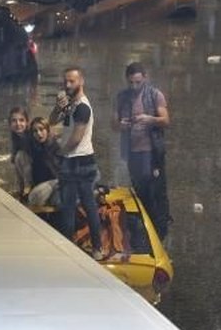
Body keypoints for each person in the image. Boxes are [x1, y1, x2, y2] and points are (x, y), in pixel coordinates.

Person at [49, 66, 103, 260]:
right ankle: (93, 248)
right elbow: (51, 121)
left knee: (74, 207)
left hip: (78, 162)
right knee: (80, 206)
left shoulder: (82, 107)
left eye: (72, 81)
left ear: (81, 81)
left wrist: (59, 154)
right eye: (65, 81)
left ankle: (84, 249)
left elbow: (76, 138)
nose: (67, 85)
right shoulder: (70, 104)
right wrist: (57, 107)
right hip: (79, 161)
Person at [112, 62, 171, 239]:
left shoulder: (154, 95)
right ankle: (145, 228)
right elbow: (113, 123)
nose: (134, 86)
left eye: (138, 82)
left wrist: (149, 119)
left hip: (151, 151)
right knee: (139, 189)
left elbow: (166, 120)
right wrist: (120, 125)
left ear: (145, 78)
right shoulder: (122, 97)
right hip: (132, 151)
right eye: (131, 82)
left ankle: (158, 229)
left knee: (154, 190)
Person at [26, 116, 60, 206]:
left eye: (41, 129)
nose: (39, 133)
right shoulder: (33, 147)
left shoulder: (55, 147)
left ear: (47, 130)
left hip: (55, 184)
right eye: (35, 131)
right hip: (42, 187)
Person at [7, 106, 32, 200]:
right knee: (16, 157)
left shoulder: (32, 136)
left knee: (21, 156)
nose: (18, 124)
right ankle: (21, 189)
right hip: (30, 175)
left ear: (27, 122)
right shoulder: (16, 138)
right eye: (14, 121)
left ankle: (27, 188)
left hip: (42, 177)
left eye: (21, 120)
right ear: (10, 124)